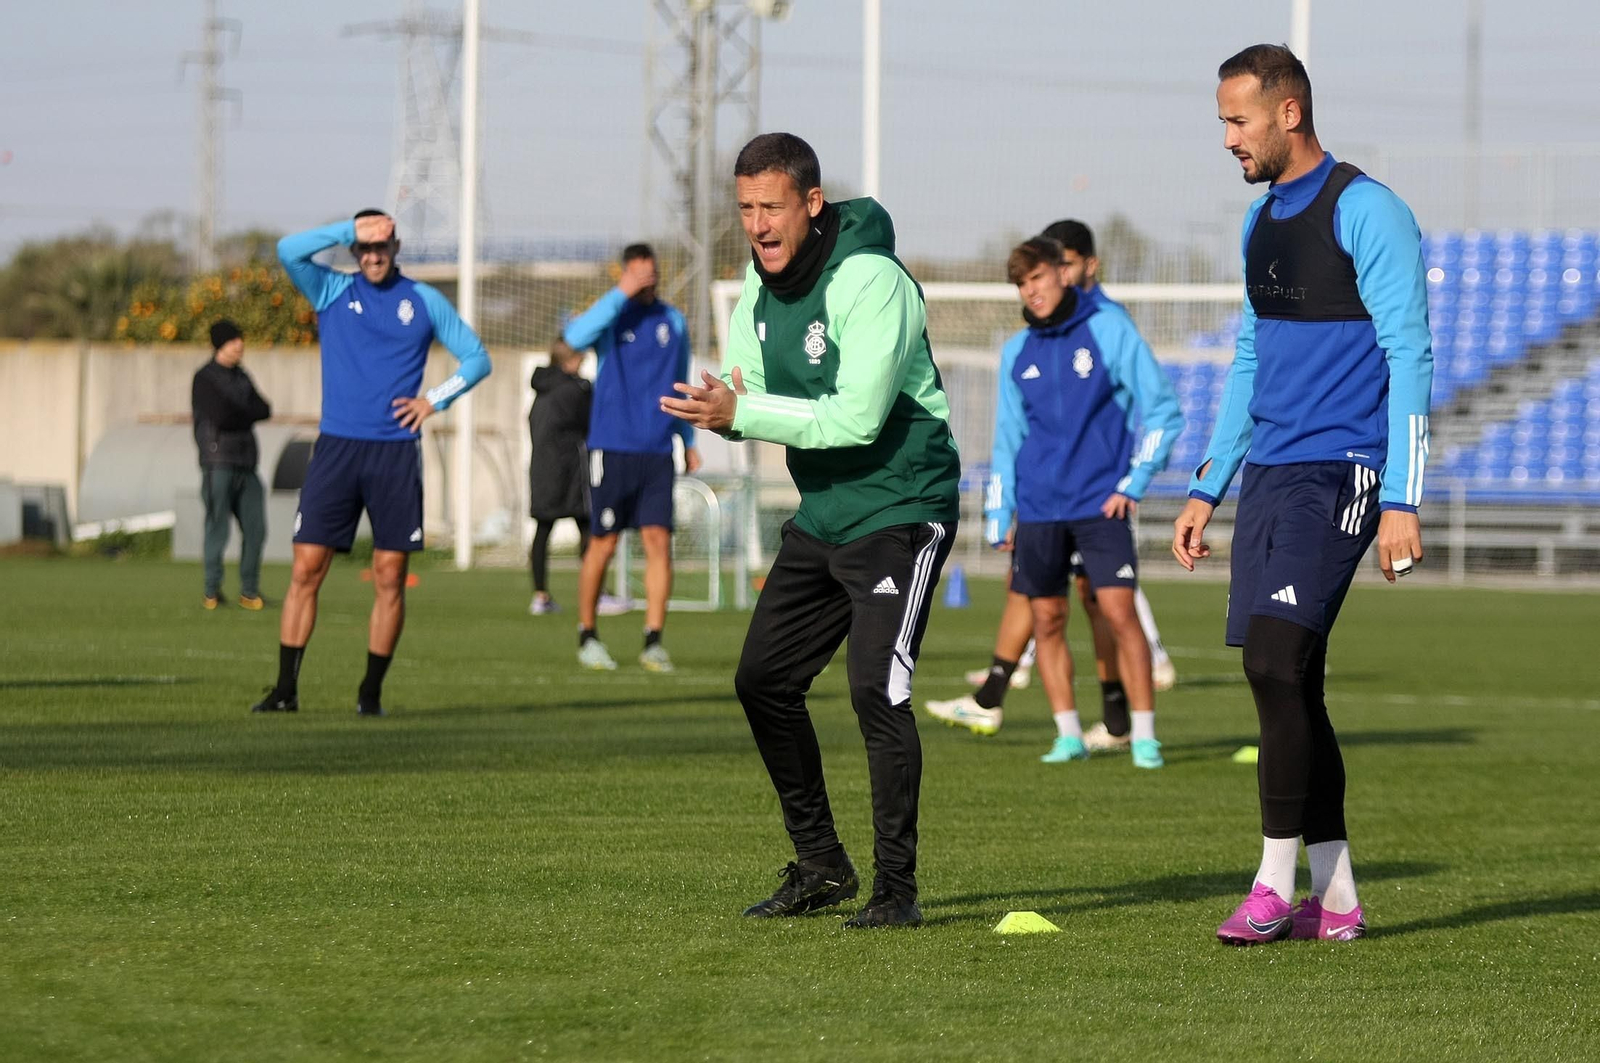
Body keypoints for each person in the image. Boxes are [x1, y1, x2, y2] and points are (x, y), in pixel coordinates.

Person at [662, 132, 961, 929]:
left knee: (877, 689)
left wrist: (744, 410)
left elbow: (859, 419)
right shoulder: (753, 294)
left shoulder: (871, 279)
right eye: (745, 209)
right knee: (762, 679)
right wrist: (718, 409)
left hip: (902, 505)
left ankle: (896, 891)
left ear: (811, 203)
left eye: (771, 206)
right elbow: (750, 395)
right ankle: (822, 864)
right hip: (825, 514)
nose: (757, 224)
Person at [1173, 45, 1431, 945]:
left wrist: (1403, 495)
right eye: (1222, 124)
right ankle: (1341, 896)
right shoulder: (1258, 227)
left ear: (1289, 112)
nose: (1229, 139)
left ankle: (1273, 886)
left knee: (1271, 662)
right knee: (1295, 686)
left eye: (1238, 121)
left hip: (1346, 471)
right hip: (1273, 476)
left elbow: (1411, 356)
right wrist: (1211, 481)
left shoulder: (1370, 211)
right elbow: (1248, 361)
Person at [931, 219, 1179, 749]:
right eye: (1022, 284)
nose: (1033, 290)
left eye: (1041, 276)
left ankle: (1143, 737)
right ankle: (1067, 734)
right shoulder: (1016, 351)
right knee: (1047, 617)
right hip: (1041, 510)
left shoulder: (1110, 328)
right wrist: (1001, 512)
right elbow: (1007, 439)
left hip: (1100, 506)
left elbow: (1163, 412)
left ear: (1066, 273)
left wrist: (1134, 483)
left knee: (1116, 611)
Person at [251, 209, 491, 716]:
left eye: (382, 247)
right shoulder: (331, 291)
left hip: (395, 453)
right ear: (356, 251)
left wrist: (434, 400)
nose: (374, 256)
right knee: (306, 568)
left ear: (397, 248)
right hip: (337, 449)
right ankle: (285, 690)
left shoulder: (423, 300)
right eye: (365, 247)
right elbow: (288, 248)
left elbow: (476, 359)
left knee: (388, 575)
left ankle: (370, 694)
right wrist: (349, 230)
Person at [562, 244, 700, 673]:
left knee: (659, 541)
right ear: (626, 273)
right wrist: (619, 293)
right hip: (612, 447)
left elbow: (680, 380)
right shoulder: (611, 314)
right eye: (638, 273)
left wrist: (687, 438)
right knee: (604, 542)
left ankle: (653, 641)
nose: (647, 279)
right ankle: (588, 635)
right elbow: (573, 340)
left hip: (657, 449)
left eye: (651, 273)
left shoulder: (672, 320)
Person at [191, 318, 271, 610]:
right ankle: (212, 590)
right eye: (234, 340)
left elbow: (264, 408)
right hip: (218, 462)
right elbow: (221, 416)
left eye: (241, 339)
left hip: (246, 464)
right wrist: (245, 412)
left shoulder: (242, 376)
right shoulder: (205, 378)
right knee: (217, 528)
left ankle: (249, 591)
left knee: (256, 529)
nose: (240, 345)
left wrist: (242, 412)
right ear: (220, 344)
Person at [527, 338, 592, 615]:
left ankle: (540, 596)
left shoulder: (542, 389)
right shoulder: (575, 390)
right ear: (569, 361)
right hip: (568, 469)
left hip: (541, 467)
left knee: (543, 529)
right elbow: (590, 423)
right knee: (588, 525)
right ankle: (596, 592)